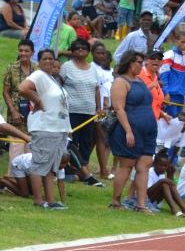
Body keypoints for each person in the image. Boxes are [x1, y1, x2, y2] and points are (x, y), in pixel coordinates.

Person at [18, 49, 69, 209]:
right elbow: (23, 88)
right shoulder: (39, 75)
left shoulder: (52, 78)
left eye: (51, 58)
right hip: (45, 126)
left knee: (51, 166)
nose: (48, 61)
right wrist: (37, 101)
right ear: (38, 61)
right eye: (44, 59)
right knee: (39, 164)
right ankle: (39, 199)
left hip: (58, 128)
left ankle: (51, 200)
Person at [108, 51, 156, 213]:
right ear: (130, 63)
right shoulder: (121, 82)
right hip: (131, 129)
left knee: (145, 165)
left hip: (148, 129)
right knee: (127, 165)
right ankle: (116, 200)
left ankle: (141, 203)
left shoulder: (140, 80)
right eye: (139, 62)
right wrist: (128, 131)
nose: (142, 65)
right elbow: (119, 108)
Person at [60, 38, 100, 174]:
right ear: (72, 51)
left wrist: (98, 108)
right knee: (72, 140)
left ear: (89, 51)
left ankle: (84, 165)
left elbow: (96, 88)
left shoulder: (93, 68)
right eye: (77, 48)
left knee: (87, 141)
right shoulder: (66, 66)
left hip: (89, 112)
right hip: (71, 110)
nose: (80, 50)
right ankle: (71, 168)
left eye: (83, 48)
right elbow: (59, 85)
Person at [2, 39, 36, 159]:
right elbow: (6, 92)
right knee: (16, 145)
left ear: (32, 52)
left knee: (30, 146)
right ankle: (13, 175)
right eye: (21, 50)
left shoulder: (37, 69)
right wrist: (13, 111)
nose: (23, 53)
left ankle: (28, 176)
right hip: (16, 113)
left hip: (33, 113)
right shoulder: (12, 68)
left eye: (26, 51)